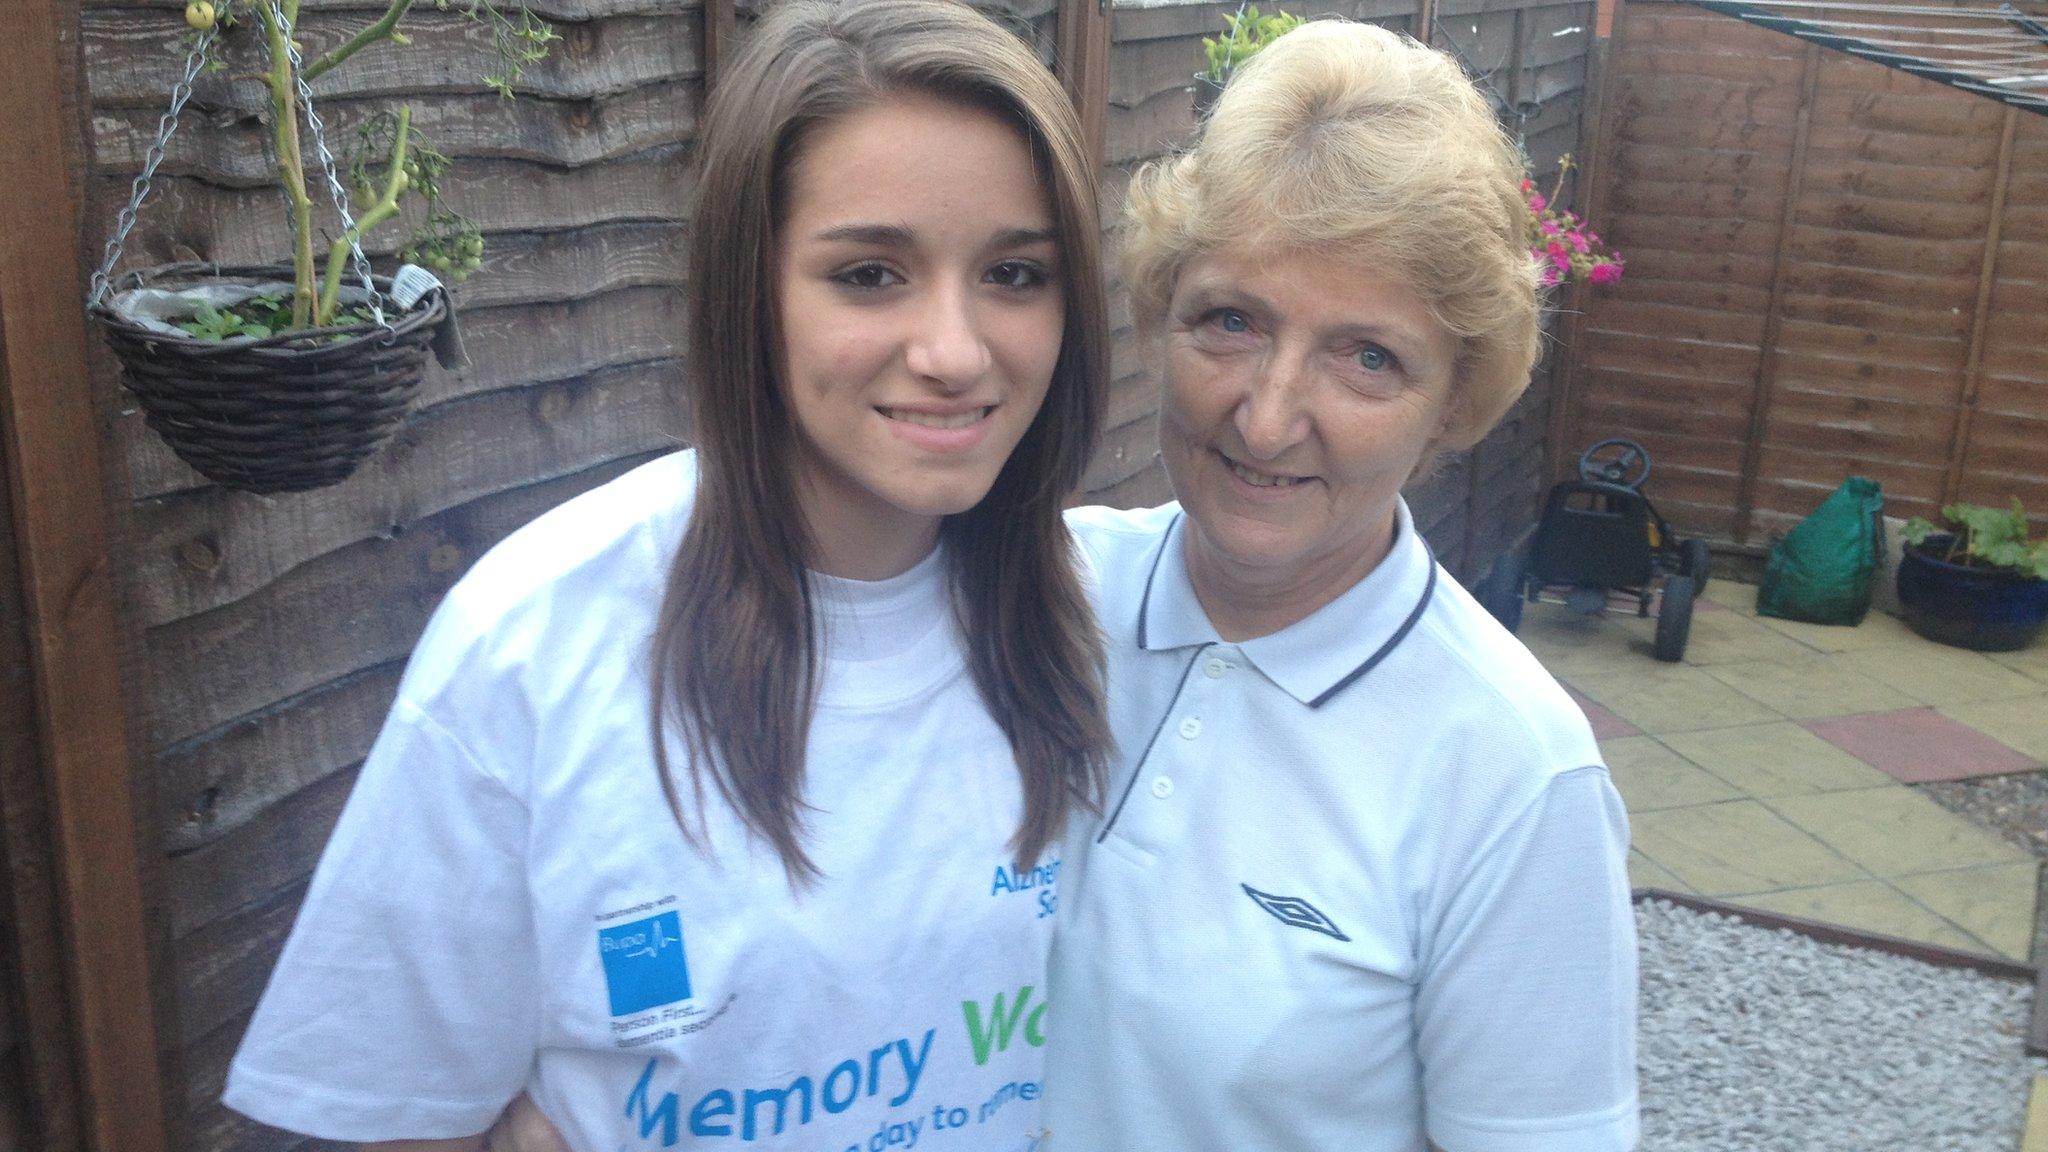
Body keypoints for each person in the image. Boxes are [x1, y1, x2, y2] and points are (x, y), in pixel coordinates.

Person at [221, 1, 1112, 1147]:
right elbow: (400, 1115)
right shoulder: (534, 645)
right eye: (870, 273)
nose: (952, 351)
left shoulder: (1109, 619)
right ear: (751, 288)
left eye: (1013, 273)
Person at [1047, 20, 1638, 1152]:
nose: (1266, 417)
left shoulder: (1509, 775)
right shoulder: (1040, 599)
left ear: (1454, 400)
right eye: (1230, 320)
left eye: (1366, 356)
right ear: (1157, 315)